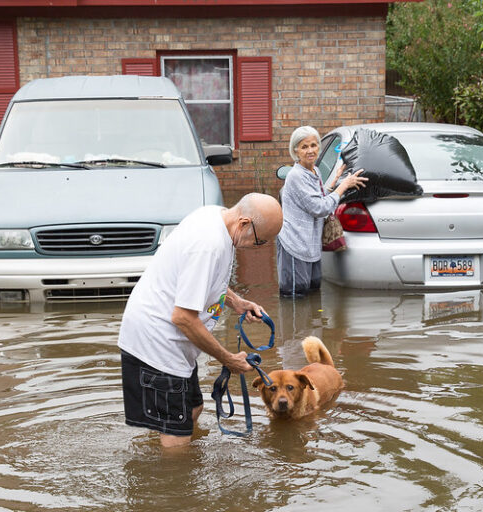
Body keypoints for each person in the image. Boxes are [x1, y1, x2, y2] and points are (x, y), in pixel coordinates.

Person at [118, 193, 283, 448]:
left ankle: (158, 448)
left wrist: (236, 302)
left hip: (174, 343)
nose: (256, 247)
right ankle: (170, 483)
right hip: (157, 343)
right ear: (243, 223)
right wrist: (228, 359)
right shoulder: (208, 245)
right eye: (260, 241)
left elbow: (205, 281)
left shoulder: (216, 215)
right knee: (177, 433)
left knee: (193, 409)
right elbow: (183, 318)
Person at [277, 126, 367, 297]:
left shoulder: (315, 171)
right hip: (295, 245)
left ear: (319, 146)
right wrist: (343, 186)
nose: (310, 150)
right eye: (304, 147)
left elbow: (319, 197)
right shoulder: (296, 176)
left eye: (313, 145)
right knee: (295, 296)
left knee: (312, 293)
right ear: (295, 151)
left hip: (311, 245)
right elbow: (319, 208)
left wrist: (335, 181)